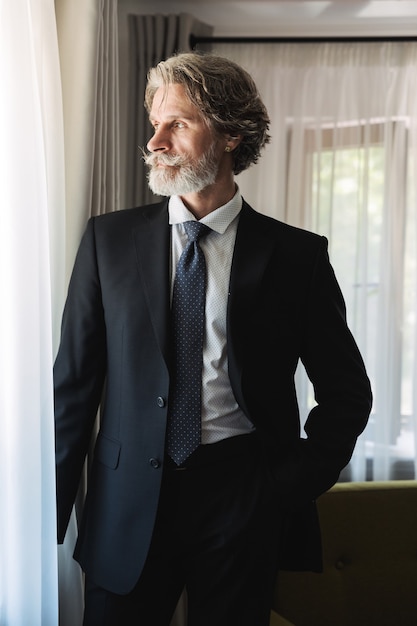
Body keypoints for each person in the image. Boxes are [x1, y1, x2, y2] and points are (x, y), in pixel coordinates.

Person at [54, 51, 372, 626]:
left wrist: (286, 487)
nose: (155, 141)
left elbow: (347, 392)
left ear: (230, 135)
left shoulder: (297, 257)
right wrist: (42, 514)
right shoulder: (108, 241)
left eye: (177, 123)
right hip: (125, 501)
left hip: (243, 499)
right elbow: (72, 387)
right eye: (154, 124)